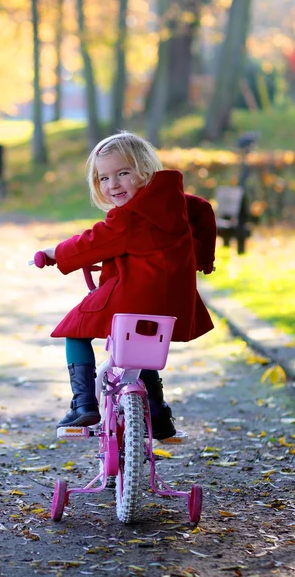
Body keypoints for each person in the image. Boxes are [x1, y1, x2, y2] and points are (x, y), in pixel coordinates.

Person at [42, 131, 216, 440]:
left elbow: (90, 243)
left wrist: (54, 253)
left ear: (145, 170)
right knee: (139, 348)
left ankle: (83, 404)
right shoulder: (175, 205)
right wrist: (203, 256)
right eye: (104, 178)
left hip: (132, 297)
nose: (113, 185)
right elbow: (202, 209)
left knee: (73, 330)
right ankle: (159, 413)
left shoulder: (130, 218)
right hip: (171, 303)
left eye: (123, 173)